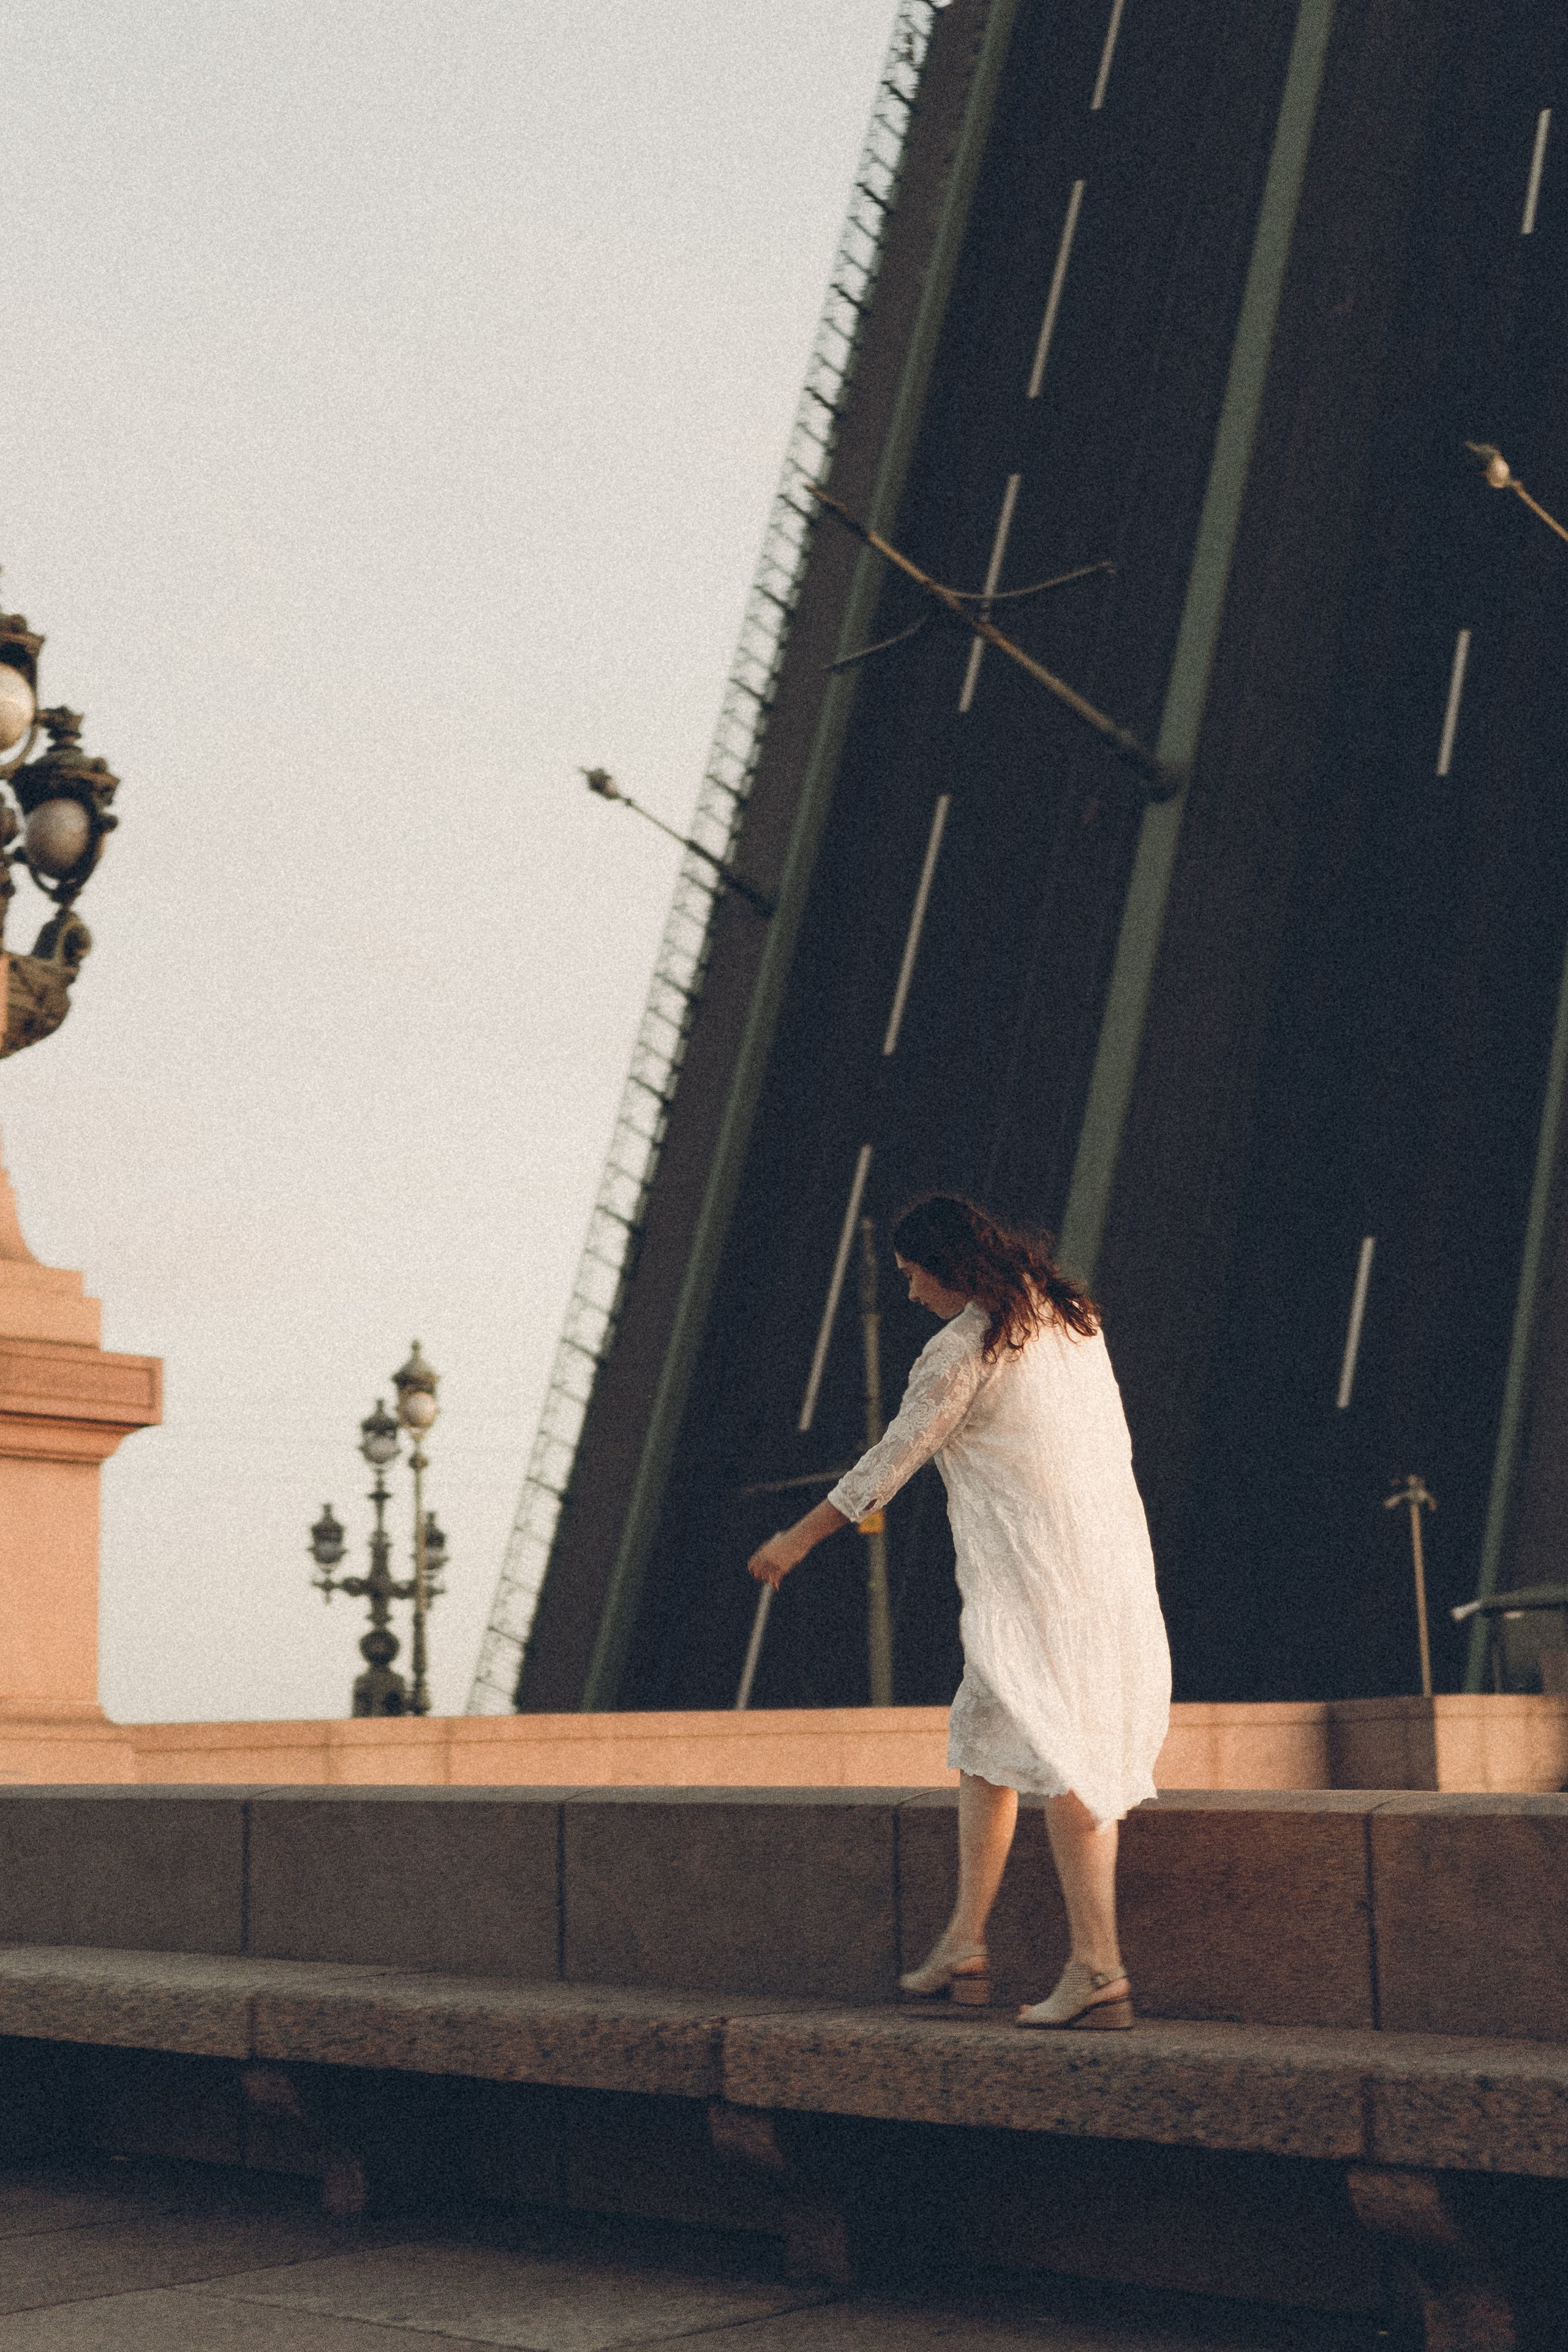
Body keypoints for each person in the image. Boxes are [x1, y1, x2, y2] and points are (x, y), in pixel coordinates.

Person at [748, 1194, 1170, 2029]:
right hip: (1106, 1564)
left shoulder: (960, 1350)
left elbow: (892, 1461)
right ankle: (964, 1944)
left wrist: (796, 1539)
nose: (908, 1294)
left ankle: (1099, 1969)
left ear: (948, 1267)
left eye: (912, 1275)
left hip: (1038, 1579)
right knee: (984, 1745)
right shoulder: (1069, 1319)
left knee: (1070, 1756)